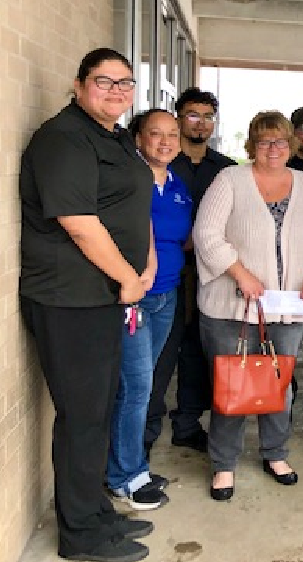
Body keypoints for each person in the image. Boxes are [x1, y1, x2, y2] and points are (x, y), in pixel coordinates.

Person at [19, 47, 154, 562]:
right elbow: (78, 221)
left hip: (105, 295)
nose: (116, 91)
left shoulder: (113, 137)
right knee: (81, 416)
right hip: (69, 298)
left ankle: (96, 512)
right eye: (104, 81)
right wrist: (128, 277)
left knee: (97, 412)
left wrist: (143, 266)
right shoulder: (63, 138)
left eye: (125, 83)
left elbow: (131, 202)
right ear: (78, 86)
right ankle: (78, 535)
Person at [192, 111, 303, 500]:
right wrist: (240, 272)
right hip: (231, 308)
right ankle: (224, 464)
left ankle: (275, 452)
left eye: (281, 142)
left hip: (287, 308)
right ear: (252, 145)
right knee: (232, 386)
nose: (274, 149)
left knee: (278, 385)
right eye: (265, 141)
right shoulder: (231, 180)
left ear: (291, 145)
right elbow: (206, 234)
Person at [106, 109, 193, 512]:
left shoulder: (177, 183)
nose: (165, 141)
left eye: (172, 134)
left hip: (167, 296)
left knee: (147, 383)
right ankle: (125, 475)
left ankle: (130, 465)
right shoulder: (129, 179)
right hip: (134, 298)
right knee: (135, 387)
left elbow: (185, 237)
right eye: (155, 134)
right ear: (138, 137)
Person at [145, 87, 236, 455]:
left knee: (199, 352)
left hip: (211, 275)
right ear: (179, 118)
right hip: (168, 275)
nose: (201, 123)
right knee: (162, 355)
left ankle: (187, 423)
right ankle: (144, 436)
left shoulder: (226, 168)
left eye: (208, 116)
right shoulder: (163, 163)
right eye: (193, 115)